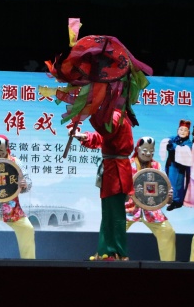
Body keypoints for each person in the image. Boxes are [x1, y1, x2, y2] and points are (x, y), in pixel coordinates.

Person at [70, 108, 135, 261]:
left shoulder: (117, 116)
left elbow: (105, 130)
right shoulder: (116, 115)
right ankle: (106, 251)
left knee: (115, 214)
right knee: (109, 213)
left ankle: (116, 252)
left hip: (116, 170)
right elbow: (102, 137)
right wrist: (83, 136)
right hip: (112, 168)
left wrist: (92, 110)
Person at [125, 136, 176, 261]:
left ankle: (169, 267)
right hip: (129, 207)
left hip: (151, 208)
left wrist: (169, 196)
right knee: (115, 231)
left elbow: (164, 187)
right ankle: (111, 262)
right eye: (145, 150)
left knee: (168, 231)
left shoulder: (156, 165)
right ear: (137, 149)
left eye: (151, 151)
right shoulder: (128, 164)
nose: (148, 153)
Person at [159, 119, 193, 211]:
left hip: (180, 167)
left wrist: (174, 146)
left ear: (188, 133)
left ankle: (177, 201)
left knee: (178, 184)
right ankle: (169, 199)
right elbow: (166, 140)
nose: (183, 132)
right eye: (181, 130)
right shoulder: (174, 138)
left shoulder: (188, 142)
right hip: (170, 164)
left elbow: (185, 151)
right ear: (177, 130)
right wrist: (168, 143)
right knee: (169, 181)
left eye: (185, 130)